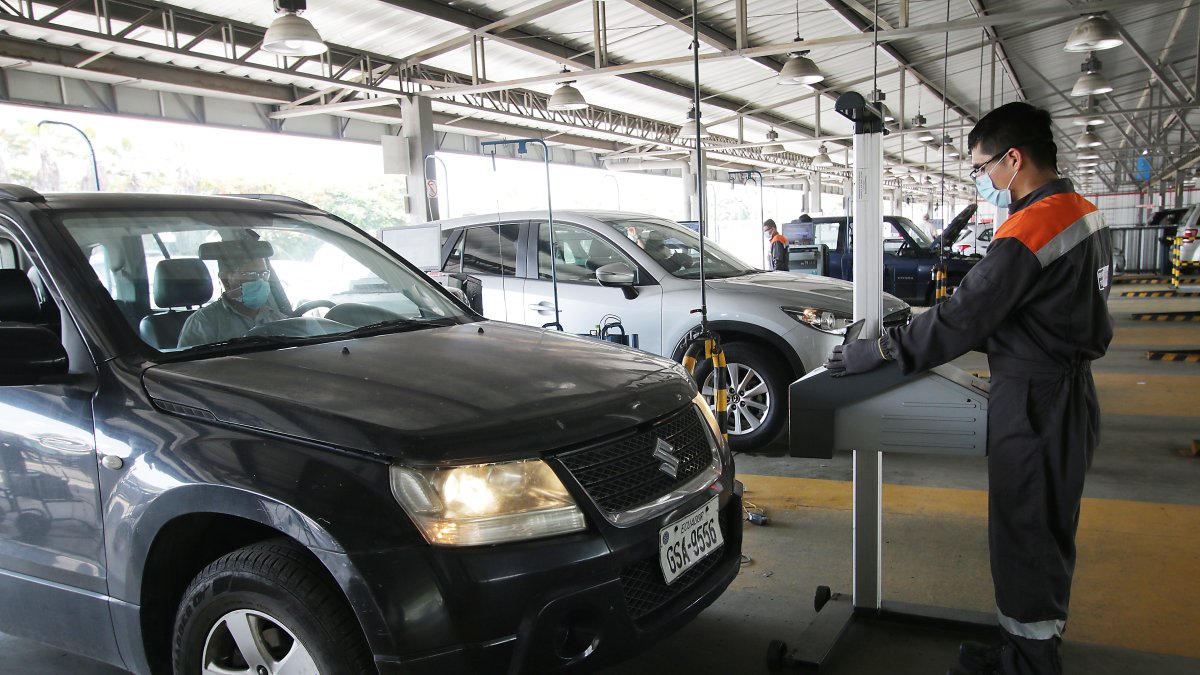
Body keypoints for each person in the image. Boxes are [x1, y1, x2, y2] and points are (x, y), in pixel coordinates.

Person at [823, 102, 1113, 675]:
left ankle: (1028, 666)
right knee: (1047, 528)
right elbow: (1040, 313)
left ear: (1013, 158)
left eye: (982, 170)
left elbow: (963, 317)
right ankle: (1027, 645)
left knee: (1025, 530)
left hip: (1034, 402)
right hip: (1069, 393)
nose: (982, 182)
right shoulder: (1084, 213)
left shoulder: (1032, 226)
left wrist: (876, 350)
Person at [177, 240, 288, 348]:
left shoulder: (279, 319)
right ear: (226, 281)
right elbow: (187, 366)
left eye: (263, 274)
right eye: (251, 275)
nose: (260, 281)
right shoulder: (202, 322)